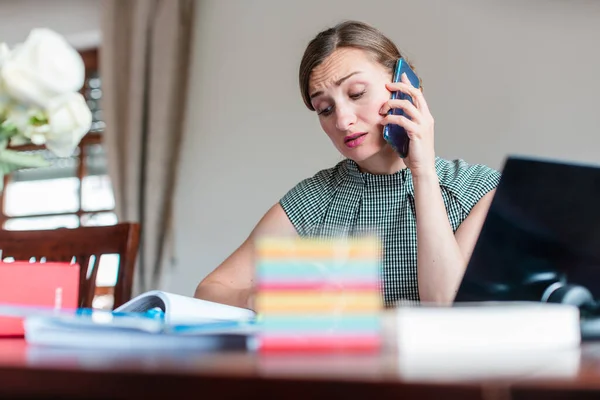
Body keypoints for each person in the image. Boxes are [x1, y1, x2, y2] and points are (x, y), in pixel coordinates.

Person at [194, 20, 501, 309]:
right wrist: (259, 299)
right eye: (324, 109)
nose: (342, 120)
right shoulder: (314, 200)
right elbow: (209, 290)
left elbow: (445, 306)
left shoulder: (478, 192)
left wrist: (423, 174)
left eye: (357, 93)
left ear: (405, 84)